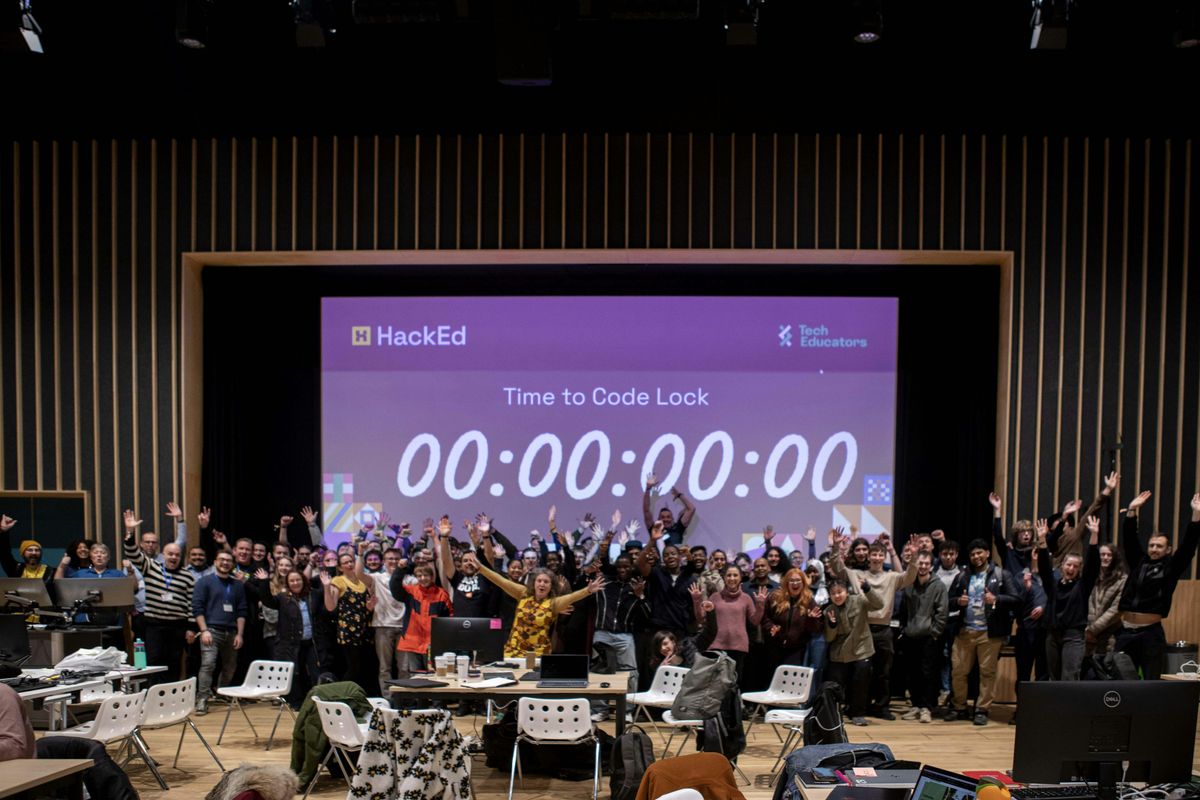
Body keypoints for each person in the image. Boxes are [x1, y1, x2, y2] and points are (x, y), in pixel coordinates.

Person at [828, 528, 918, 720]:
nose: (876, 558)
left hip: (884, 629)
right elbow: (837, 567)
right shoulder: (857, 574)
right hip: (861, 629)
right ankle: (859, 707)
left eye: (880, 555)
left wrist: (914, 557)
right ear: (868, 557)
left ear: (884, 557)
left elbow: (910, 577)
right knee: (860, 672)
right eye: (873, 554)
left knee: (883, 672)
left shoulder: (892, 576)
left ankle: (882, 707)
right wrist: (835, 547)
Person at [1114, 490, 1200, 679]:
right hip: (1125, 632)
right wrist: (1131, 511)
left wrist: (1196, 515)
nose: (1154, 549)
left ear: (1168, 549)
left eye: (1159, 546)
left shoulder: (1171, 568)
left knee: (1150, 683)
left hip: (1150, 634)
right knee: (1120, 680)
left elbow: (1188, 547)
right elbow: (1129, 540)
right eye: (1151, 545)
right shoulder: (1139, 562)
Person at [944, 539, 1019, 726]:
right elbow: (948, 601)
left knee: (987, 673)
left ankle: (982, 709)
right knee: (958, 671)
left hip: (989, 633)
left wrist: (996, 598)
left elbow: (1015, 599)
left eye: (979, 553)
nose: (976, 556)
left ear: (987, 553)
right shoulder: (962, 575)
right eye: (972, 554)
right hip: (964, 631)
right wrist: (958, 601)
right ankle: (959, 707)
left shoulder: (1001, 574)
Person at [122, 508, 197, 685]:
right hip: (154, 624)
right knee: (154, 660)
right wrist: (130, 531)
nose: (173, 557)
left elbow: (191, 604)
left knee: (174, 661)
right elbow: (132, 553)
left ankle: (171, 694)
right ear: (164, 554)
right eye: (170, 554)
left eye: (177, 555)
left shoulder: (187, 576)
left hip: (178, 626)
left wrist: (191, 628)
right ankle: (153, 692)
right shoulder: (151, 567)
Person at [476, 559, 605, 658]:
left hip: (538, 654)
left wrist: (588, 590)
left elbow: (572, 597)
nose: (542, 584)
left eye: (546, 582)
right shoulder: (523, 593)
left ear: (551, 586)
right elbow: (501, 581)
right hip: (513, 652)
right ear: (534, 583)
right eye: (539, 581)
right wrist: (481, 568)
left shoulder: (553, 603)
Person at [1036, 514, 1100, 680]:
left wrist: (1094, 537)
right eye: (1068, 565)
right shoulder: (1053, 585)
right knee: (1054, 677)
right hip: (1052, 634)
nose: (1071, 568)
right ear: (1062, 565)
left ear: (1079, 569)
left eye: (1075, 566)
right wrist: (1042, 540)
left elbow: (1093, 566)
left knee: (1069, 676)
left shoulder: (1082, 586)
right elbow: (1043, 568)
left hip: (1073, 636)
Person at [258, 570, 329, 708]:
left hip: (312, 642)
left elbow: (327, 604)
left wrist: (326, 583)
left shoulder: (313, 595)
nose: (295, 583)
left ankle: (318, 702)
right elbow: (268, 601)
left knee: (316, 672)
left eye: (298, 580)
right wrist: (264, 582)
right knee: (295, 673)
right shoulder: (283, 598)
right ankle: (296, 703)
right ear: (288, 583)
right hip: (291, 643)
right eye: (292, 581)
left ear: (303, 580)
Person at [192, 550, 248, 714]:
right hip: (211, 630)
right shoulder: (204, 582)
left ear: (232, 564)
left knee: (230, 666)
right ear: (215, 562)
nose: (225, 563)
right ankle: (202, 699)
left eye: (228, 560)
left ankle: (221, 693)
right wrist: (204, 630)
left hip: (231, 632)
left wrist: (240, 634)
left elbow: (242, 611)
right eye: (222, 559)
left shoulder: (237, 585)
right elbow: (197, 608)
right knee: (208, 664)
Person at [824, 577, 883, 726]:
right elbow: (829, 638)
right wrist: (832, 625)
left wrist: (868, 589)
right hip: (839, 653)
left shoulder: (859, 601)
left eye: (840, 592)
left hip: (861, 648)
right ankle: (835, 713)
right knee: (836, 684)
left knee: (860, 681)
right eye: (833, 593)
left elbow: (879, 605)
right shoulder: (829, 611)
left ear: (847, 592)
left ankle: (858, 714)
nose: (837, 596)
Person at [899, 551, 948, 722]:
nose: (923, 566)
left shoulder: (938, 586)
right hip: (910, 636)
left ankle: (926, 708)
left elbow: (942, 612)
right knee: (912, 673)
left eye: (927, 563)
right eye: (920, 563)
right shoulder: (909, 584)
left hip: (929, 637)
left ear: (931, 566)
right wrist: (903, 630)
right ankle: (915, 705)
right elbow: (904, 610)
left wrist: (935, 633)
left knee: (928, 673)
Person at [694, 565, 767, 680]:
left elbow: (755, 621)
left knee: (733, 683)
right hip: (715, 646)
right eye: (729, 575)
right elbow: (701, 619)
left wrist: (760, 605)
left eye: (735, 575)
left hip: (738, 648)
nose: (732, 578)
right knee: (715, 683)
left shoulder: (746, 598)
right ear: (724, 577)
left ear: (740, 577)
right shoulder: (715, 597)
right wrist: (696, 600)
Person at [358, 544, 407, 694]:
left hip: (404, 627)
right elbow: (359, 574)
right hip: (383, 626)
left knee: (404, 667)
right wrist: (360, 554)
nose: (393, 561)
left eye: (396, 558)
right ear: (384, 561)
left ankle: (405, 697)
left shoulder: (408, 578)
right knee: (385, 667)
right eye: (390, 559)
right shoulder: (377, 578)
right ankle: (388, 698)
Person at [323, 551, 373, 688]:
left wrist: (370, 607)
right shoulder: (338, 581)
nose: (350, 564)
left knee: (364, 667)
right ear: (340, 567)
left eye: (351, 561)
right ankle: (342, 693)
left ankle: (359, 695)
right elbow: (330, 606)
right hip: (348, 631)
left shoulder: (362, 581)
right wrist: (326, 587)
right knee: (353, 667)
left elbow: (366, 607)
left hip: (364, 629)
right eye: (346, 563)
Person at [763, 567, 823, 667]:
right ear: (786, 583)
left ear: (803, 582)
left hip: (796, 650)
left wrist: (811, 619)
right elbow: (765, 618)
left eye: (798, 580)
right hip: (774, 647)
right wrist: (771, 627)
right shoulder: (775, 597)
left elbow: (815, 629)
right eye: (791, 580)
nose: (795, 583)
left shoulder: (809, 601)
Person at [1086, 541, 1127, 657]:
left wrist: (1092, 630)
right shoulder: (1090, 576)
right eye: (1102, 554)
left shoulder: (1122, 580)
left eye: (1109, 555)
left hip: (1109, 636)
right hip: (1086, 637)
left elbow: (1116, 610)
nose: (1105, 557)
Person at [642, 473, 696, 547]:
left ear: (672, 519)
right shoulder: (655, 530)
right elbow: (646, 510)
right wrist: (648, 489)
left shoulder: (678, 528)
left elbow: (691, 509)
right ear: (658, 520)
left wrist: (679, 495)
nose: (666, 519)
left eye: (668, 517)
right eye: (662, 517)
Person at [0, 514, 52, 583]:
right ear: (23, 553)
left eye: (37, 550)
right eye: (30, 550)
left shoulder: (49, 570)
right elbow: (4, 553)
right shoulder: (16, 568)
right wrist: (4, 532)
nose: (34, 553)